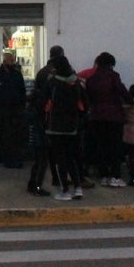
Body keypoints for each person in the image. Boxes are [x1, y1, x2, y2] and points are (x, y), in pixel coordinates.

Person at [46, 55, 90, 200]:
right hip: (72, 124)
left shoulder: (53, 83)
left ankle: (64, 190)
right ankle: (78, 188)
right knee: (71, 157)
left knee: (60, 159)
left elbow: (44, 99)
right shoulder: (76, 82)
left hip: (56, 125)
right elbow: (85, 101)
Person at [84, 52, 129, 188]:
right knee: (115, 146)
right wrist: (131, 101)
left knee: (101, 146)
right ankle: (115, 176)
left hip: (97, 116)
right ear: (111, 64)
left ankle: (104, 175)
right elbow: (122, 92)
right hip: (114, 116)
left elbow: (88, 97)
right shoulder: (114, 76)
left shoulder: (91, 78)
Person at [27, 46, 64, 196]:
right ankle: (36, 184)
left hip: (40, 119)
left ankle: (34, 183)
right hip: (46, 120)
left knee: (41, 156)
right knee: (43, 156)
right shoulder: (53, 76)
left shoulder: (42, 72)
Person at [0, 50, 27, 168]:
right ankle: (8, 158)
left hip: (14, 109)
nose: (12, 63)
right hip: (3, 109)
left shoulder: (16, 74)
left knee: (14, 135)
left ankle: (13, 158)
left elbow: (22, 91)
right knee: (6, 135)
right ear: (5, 61)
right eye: (10, 60)